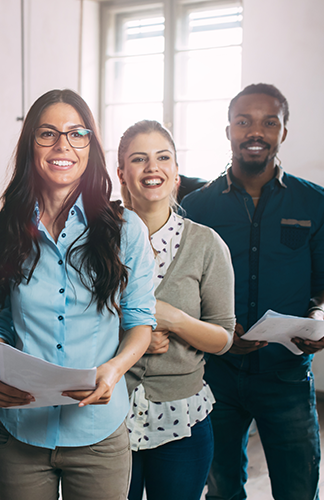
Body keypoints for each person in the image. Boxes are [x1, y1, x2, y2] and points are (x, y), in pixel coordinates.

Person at [0, 89, 156, 500]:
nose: (63, 146)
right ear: (30, 144)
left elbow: (140, 322)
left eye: (77, 134)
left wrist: (113, 370)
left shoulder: (125, 229)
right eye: (48, 134)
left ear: (91, 146)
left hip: (98, 435)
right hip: (20, 432)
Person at [181, 83, 324, 500]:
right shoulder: (196, 208)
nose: (256, 131)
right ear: (229, 131)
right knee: (221, 491)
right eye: (244, 121)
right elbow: (180, 287)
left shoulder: (316, 204)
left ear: (283, 131)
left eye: (269, 122)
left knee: (298, 491)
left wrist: (319, 317)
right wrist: (215, 329)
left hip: (287, 375)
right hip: (214, 375)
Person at [116, 120, 235, 500]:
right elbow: (70, 323)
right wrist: (133, 337)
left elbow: (223, 338)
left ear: (176, 172)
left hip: (182, 419)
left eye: (163, 157)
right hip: (107, 413)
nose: (152, 167)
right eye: (139, 159)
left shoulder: (206, 244)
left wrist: (176, 320)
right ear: (121, 173)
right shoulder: (95, 240)